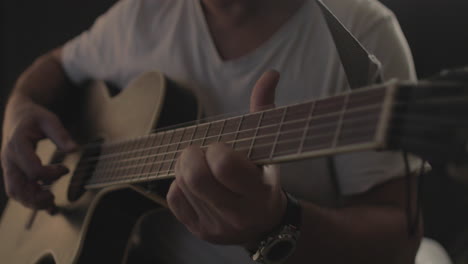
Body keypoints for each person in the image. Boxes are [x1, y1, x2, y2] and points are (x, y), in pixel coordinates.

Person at [1, 0, 424, 263]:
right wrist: (18, 110)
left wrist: (276, 223)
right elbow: (58, 64)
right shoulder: (141, 13)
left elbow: (398, 247)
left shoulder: (363, 34)